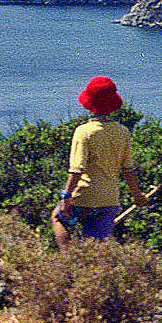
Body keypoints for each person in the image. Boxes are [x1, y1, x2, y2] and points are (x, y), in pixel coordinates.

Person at [53, 76, 148, 249]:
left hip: (83, 198)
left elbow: (76, 170)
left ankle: (66, 259)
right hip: (109, 201)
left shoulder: (84, 132)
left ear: (89, 103)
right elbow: (128, 169)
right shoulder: (123, 132)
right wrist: (137, 195)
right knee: (97, 247)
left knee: (58, 218)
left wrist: (66, 198)